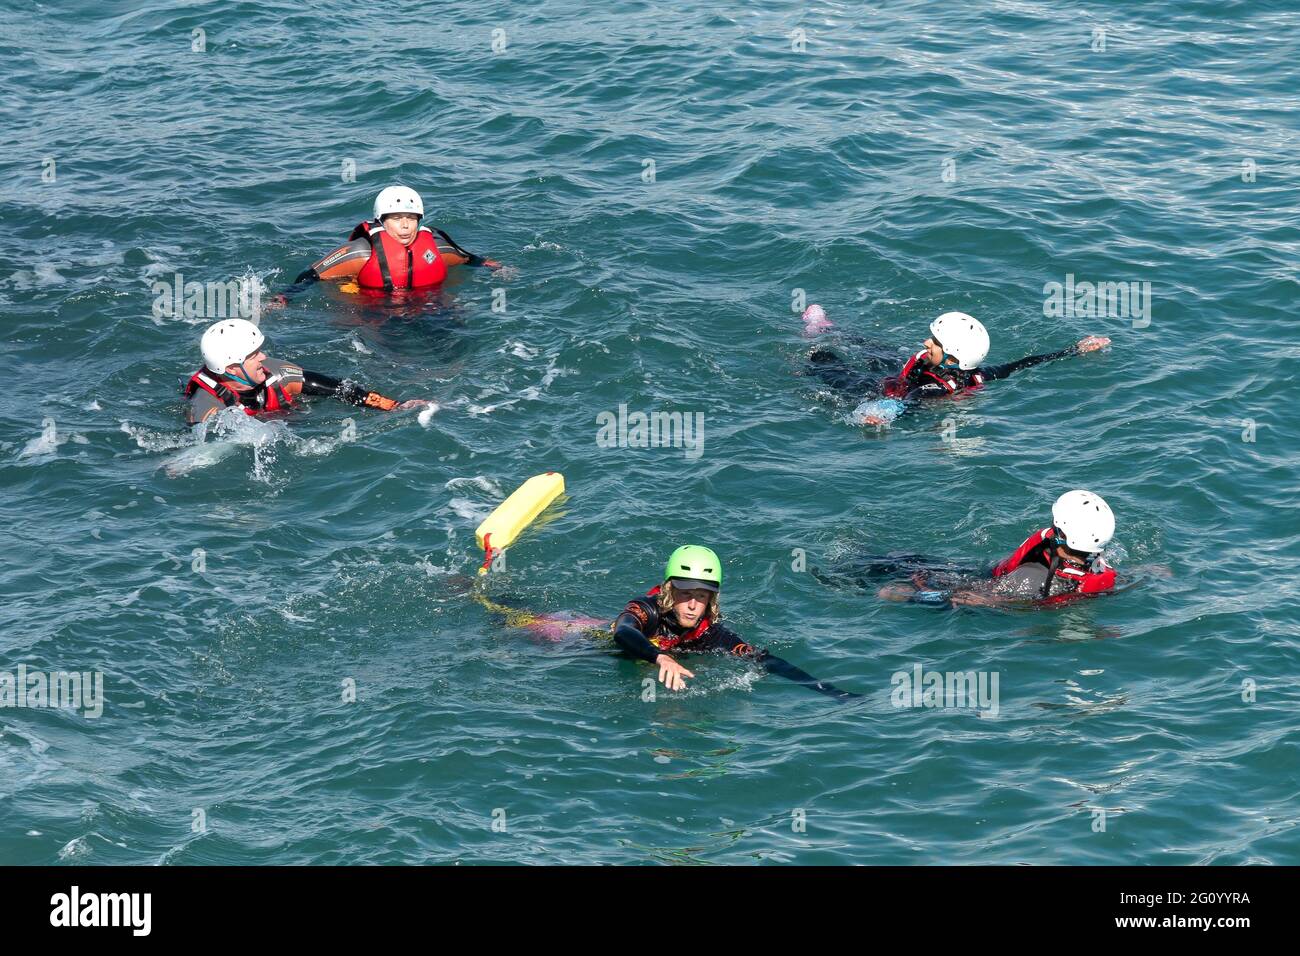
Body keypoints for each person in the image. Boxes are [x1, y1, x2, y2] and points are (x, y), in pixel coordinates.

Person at [611, 545, 860, 699]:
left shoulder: (710, 633)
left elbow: (765, 660)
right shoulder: (648, 609)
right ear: (669, 590)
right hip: (596, 644)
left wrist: (832, 692)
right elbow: (623, 631)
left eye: (701, 596)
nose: (692, 605)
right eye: (685, 593)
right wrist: (661, 658)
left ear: (711, 599)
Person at [801, 305, 1110, 425]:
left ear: (952, 356)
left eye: (934, 341)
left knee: (824, 364)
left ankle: (815, 349)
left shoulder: (935, 389)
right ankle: (827, 328)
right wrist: (1073, 350)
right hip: (904, 374)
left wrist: (878, 416)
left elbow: (909, 402)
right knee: (877, 350)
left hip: (887, 391)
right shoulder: (980, 371)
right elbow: (1023, 364)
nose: (926, 343)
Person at [868, 490, 1119, 608]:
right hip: (998, 583)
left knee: (891, 571)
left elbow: (967, 597)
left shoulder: (1031, 576)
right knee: (906, 560)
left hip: (983, 590)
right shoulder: (1096, 566)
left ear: (1062, 534)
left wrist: (913, 594)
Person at [272, 186, 501, 303]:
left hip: (430, 306)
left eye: (411, 219)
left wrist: (497, 267)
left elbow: (468, 258)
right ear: (380, 221)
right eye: (396, 218)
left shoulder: (438, 248)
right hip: (379, 311)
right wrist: (283, 298)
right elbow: (310, 275)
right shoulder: (361, 253)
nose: (405, 226)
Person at [182, 318, 427, 426]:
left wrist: (393, 406)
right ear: (233, 368)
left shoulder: (279, 374)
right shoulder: (205, 405)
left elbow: (340, 389)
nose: (264, 357)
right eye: (253, 355)